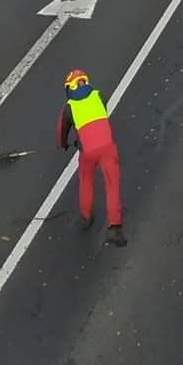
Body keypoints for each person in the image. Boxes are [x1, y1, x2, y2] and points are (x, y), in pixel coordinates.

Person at [57, 67, 126, 245]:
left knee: (86, 180)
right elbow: (98, 117)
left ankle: (86, 217)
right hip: (108, 147)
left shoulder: (69, 107)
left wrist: (64, 144)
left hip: (87, 151)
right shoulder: (98, 95)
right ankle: (115, 227)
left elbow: (62, 131)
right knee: (112, 185)